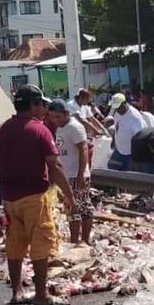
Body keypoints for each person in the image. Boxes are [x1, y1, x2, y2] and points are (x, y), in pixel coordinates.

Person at [0, 86, 75, 305]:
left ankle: (17, 292)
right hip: (35, 197)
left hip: (9, 199)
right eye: (42, 104)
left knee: (14, 244)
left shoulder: (0, 130)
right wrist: (69, 195)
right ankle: (41, 295)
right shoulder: (40, 130)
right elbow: (54, 166)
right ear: (33, 104)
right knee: (41, 243)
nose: (44, 109)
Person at [47, 99, 95, 245]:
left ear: (66, 114)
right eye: (52, 116)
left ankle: (81, 240)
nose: (55, 120)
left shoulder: (74, 127)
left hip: (76, 174)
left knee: (80, 207)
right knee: (72, 207)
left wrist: (81, 174)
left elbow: (84, 149)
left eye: (58, 116)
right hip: (67, 175)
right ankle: (77, 240)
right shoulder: (61, 128)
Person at [107, 93, 145, 171]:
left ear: (124, 103)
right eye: (116, 108)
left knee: (128, 176)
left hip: (131, 154)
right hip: (119, 150)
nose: (117, 110)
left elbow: (141, 138)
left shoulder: (135, 117)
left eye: (119, 107)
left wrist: (137, 158)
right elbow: (117, 125)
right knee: (111, 166)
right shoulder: (117, 112)